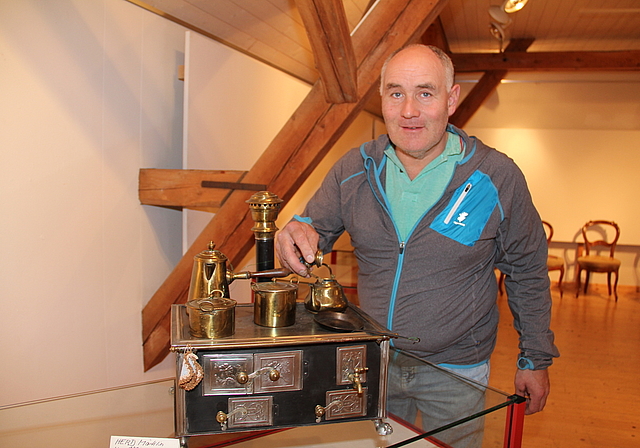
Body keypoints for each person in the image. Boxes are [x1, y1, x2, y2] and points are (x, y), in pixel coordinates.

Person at [275, 44, 559, 446]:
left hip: (457, 373)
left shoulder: (496, 176)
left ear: (451, 99)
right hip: (375, 366)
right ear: (382, 100)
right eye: (396, 93)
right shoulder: (353, 170)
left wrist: (535, 359)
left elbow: (528, 272)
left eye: (425, 92)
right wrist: (296, 232)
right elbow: (310, 227)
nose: (409, 110)